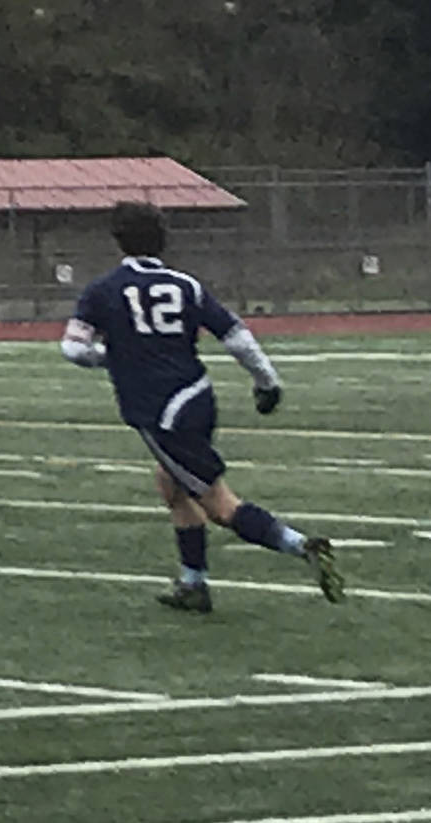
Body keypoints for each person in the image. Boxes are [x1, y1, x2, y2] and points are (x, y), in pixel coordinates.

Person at [62, 201, 342, 613]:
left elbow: (72, 348)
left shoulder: (104, 289)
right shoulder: (185, 284)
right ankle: (194, 584)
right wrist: (267, 382)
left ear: (117, 240)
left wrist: (113, 357)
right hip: (196, 394)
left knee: (218, 504)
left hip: (160, 409)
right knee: (172, 485)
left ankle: (303, 546)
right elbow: (237, 337)